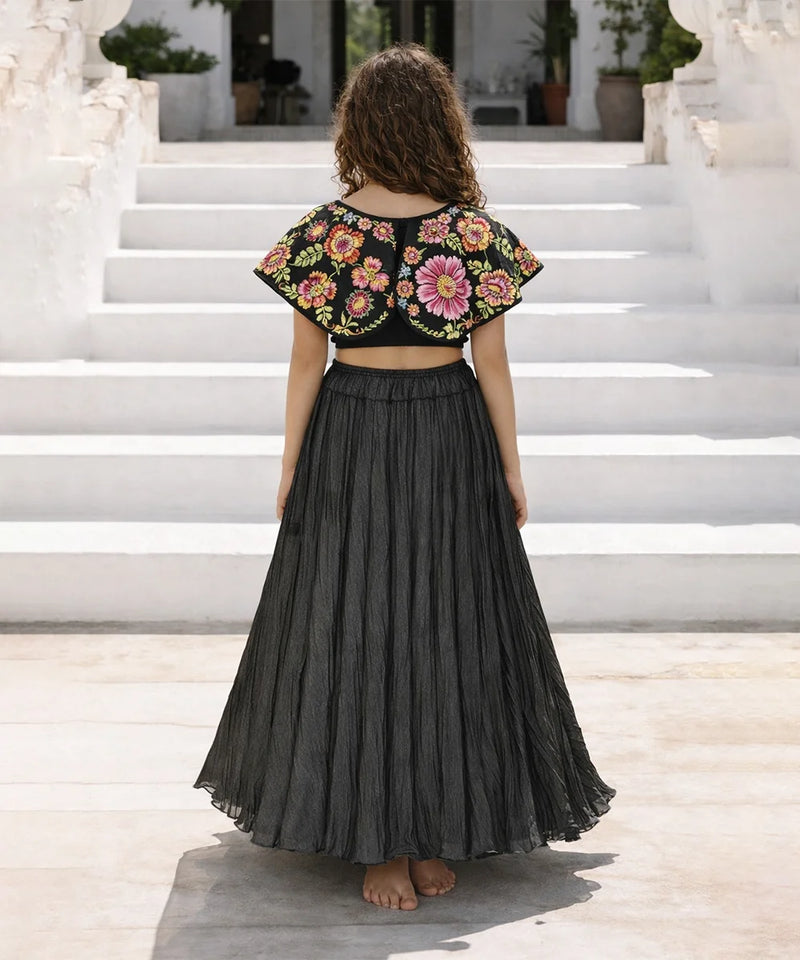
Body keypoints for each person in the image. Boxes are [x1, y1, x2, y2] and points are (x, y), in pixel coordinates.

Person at [193, 41, 615, 913]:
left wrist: (291, 464)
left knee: (400, 621)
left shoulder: (327, 232)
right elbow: (491, 366)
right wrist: (509, 463)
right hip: (440, 423)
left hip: (356, 424)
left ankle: (413, 836)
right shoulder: (467, 232)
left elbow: (307, 364)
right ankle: (385, 841)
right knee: (407, 622)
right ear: (439, 126)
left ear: (359, 126)